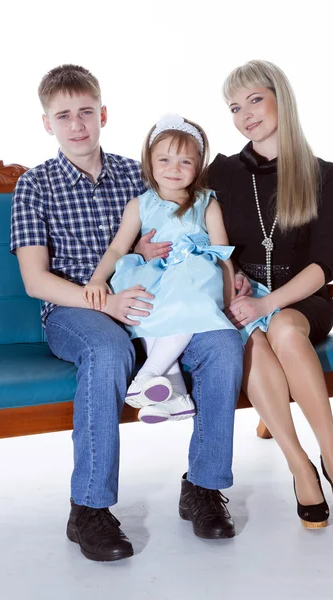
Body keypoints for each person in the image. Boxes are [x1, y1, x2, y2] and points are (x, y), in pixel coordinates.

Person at [10, 64, 244, 563]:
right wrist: (105, 300)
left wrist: (224, 274)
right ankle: (89, 508)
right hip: (76, 308)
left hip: (156, 304)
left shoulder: (138, 174)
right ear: (46, 123)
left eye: (86, 113)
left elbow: (187, 224)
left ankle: (203, 487)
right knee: (107, 346)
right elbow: (35, 281)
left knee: (223, 344)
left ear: (103, 115)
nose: (77, 125)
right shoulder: (35, 185)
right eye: (64, 116)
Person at [207, 60, 333, 528]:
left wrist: (266, 303)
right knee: (253, 341)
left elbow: (323, 266)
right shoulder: (222, 173)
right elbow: (199, 229)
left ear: (281, 98)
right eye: (235, 107)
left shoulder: (320, 174)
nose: (245, 115)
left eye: (254, 100)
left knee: (284, 330)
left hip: (302, 298)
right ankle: (301, 466)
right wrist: (232, 275)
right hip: (243, 297)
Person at [83, 114, 237, 425]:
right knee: (145, 306)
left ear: (199, 165)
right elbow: (117, 248)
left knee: (185, 298)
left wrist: (229, 297)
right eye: (164, 159)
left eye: (185, 162)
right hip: (153, 275)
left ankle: (148, 374)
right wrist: (98, 278)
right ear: (149, 163)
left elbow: (222, 253)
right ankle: (175, 395)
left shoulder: (207, 203)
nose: (173, 169)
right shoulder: (140, 204)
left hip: (194, 278)